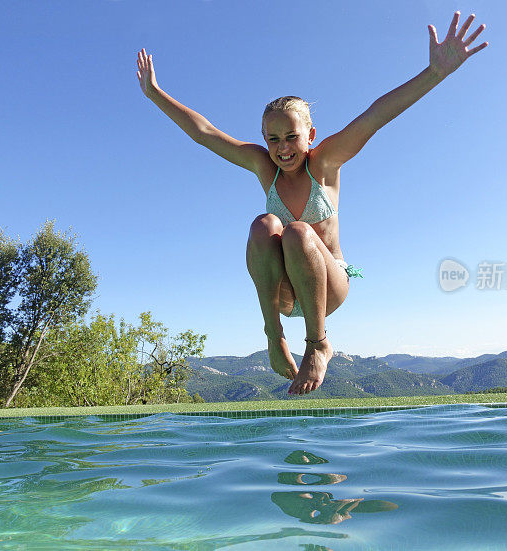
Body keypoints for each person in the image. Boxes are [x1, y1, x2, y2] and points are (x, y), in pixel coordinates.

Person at [136, 12, 487, 396]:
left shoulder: (325, 162)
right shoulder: (262, 165)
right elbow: (204, 133)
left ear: (310, 135)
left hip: (329, 284)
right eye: (272, 139)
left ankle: (318, 344)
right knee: (263, 225)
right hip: (286, 293)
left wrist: (434, 73)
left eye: (291, 136)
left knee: (298, 231)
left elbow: (376, 115)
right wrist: (156, 94)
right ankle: (274, 336)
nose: (282, 148)